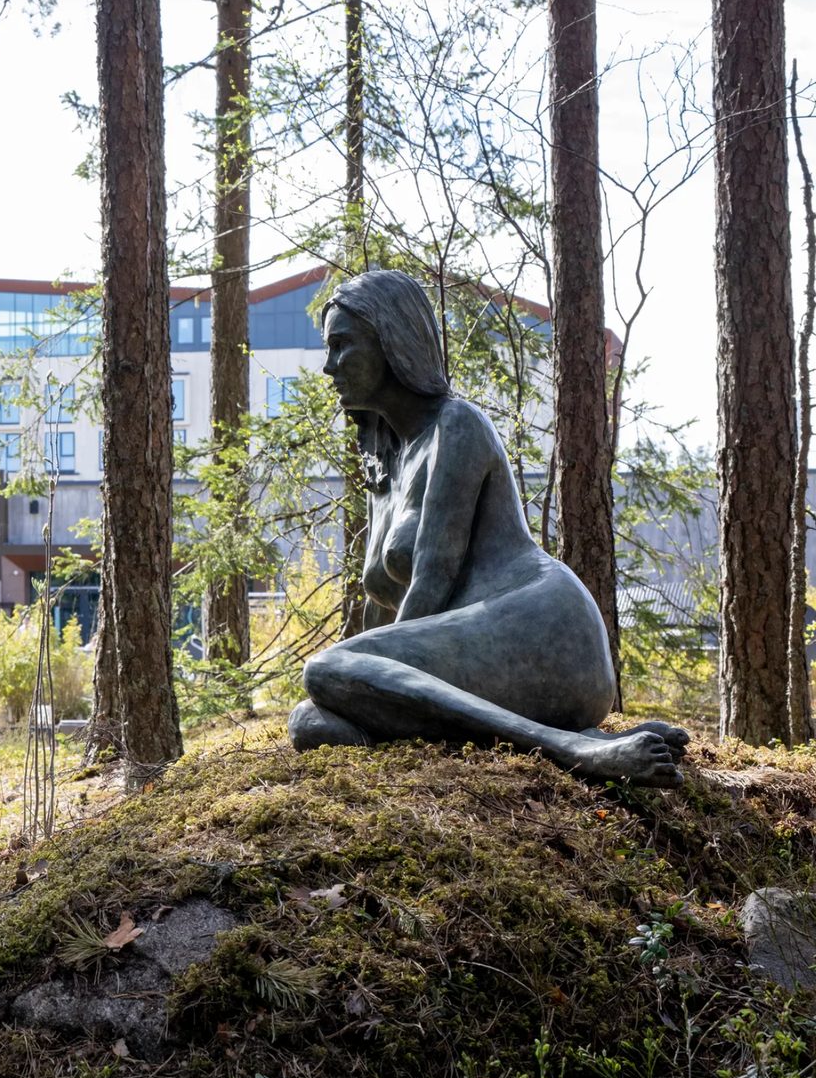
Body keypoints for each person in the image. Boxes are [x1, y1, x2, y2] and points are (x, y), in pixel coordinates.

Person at [288, 268, 688, 785]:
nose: (329, 366)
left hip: (542, 623)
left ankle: (572, 749)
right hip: (484, 657)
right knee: (312, 722)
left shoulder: (458, 425)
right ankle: (589, 738)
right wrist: (361, 680)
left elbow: (433, 579)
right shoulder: (389, 460)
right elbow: (381, 611)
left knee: (324, 670)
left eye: (342, 345)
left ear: (392, 340)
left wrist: (356, 668)